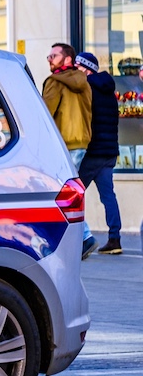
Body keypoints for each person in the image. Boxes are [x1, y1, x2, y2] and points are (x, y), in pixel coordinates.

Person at [43, 43, 97, 258]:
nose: (49, 58)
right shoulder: (83, 82)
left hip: (62, 144)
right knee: (66, 192)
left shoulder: (54, 82)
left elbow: (45, 116)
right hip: (80, 143)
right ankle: (80, 238)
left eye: (54, 55)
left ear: (67, 60)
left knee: (57, 193)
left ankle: (84, 237)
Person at [75, 52, 123, 254]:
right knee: (108, 195)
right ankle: (115, 238)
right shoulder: (109, 91)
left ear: (86, 68)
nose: (75, 70)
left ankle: (80, 238)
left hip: (93, 152)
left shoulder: (86, 89)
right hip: (109, 151)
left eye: (78, 66)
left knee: (72, 195)